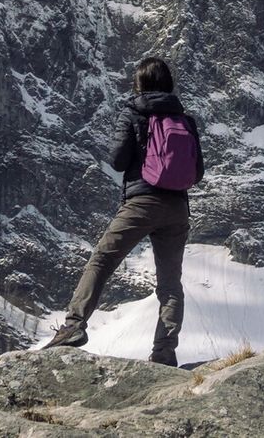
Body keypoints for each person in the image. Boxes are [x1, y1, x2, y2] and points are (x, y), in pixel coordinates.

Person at [43, 56, 204, 365]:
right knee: (170, 285)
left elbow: (117, 160)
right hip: (177, 208)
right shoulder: (186, 119)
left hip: (141, 201)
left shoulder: (133, 112)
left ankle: (74, 326)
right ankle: (164, 353)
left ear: (139, 83)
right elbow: (197, 173)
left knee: (102, 260)